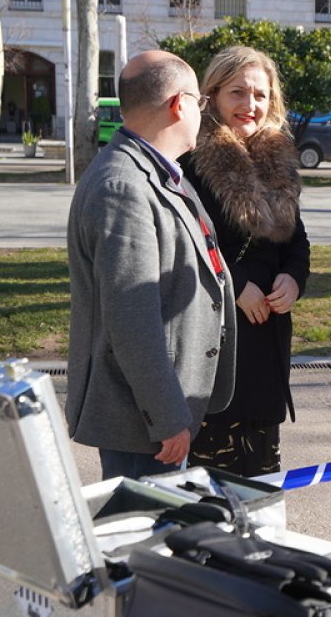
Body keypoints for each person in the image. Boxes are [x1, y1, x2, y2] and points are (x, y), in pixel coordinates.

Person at [65, 50, 236, 480]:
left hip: (150, 412)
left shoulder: (152, 171)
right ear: (179, 104)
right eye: (200, 103)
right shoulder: (123, 186)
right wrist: (165, 415)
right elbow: (131, 315)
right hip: (140, 421)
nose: (202, 113)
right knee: (138, 539)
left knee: (151, 537)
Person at [180, 46, 311, 478]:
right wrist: (234, 285)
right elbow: (186, 242)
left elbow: (297, 237)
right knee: (212, 480)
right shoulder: (192, 159)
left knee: (262, 476)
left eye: (260, 94)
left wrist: (293, 279)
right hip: (217, 337)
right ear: (213, 95)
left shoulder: (279, 155)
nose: (250, 105)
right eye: (238, 92)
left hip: (268, 336)